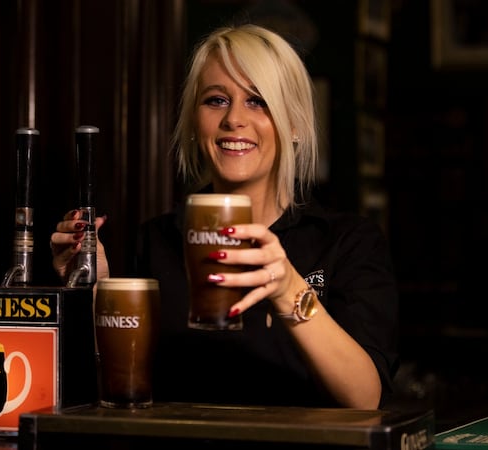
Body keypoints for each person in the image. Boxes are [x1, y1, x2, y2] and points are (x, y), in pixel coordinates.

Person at [50, 23, 399, 410]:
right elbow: (115, 387)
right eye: (216, 100)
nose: (234, 119)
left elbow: (366, 398)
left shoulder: (347, 242)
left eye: (258, 101)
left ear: (295, 124)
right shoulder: (156, 240)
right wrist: (93, 293)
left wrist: (287, 288)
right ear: (194, 123)